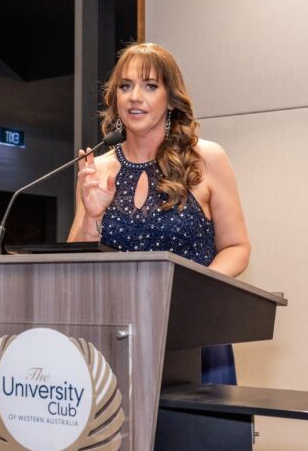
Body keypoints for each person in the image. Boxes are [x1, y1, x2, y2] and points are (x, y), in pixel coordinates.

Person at [68, 42, 250, 385]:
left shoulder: (207, 159)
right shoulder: (96, 168)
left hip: (193, 333)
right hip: (117, 337)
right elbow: (74, 263)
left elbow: (236, 247)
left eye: (150, 86)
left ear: (171, 99)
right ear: (115, 98)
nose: (135, 97)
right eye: (125, 86)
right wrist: (92, 217)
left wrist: (187, 295)